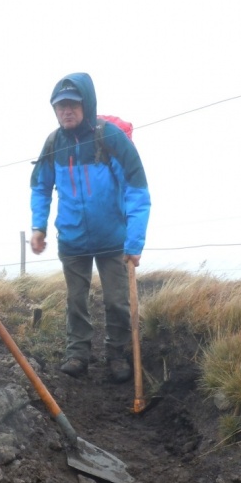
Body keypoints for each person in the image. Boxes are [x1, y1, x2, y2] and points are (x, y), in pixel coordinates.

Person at [30, 72, 151, 383]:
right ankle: (78, 354)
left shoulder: (109, 137)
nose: (65, 111)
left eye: (72, 104)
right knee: (76, 299)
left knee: (116, 301)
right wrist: (38, 226)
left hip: (113, 238)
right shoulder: (54, 142)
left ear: (86, 104)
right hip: (72, 239)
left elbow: (137, 190)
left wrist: (134, 243)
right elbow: (41, 187)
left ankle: (116, 354)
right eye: (60, 107)